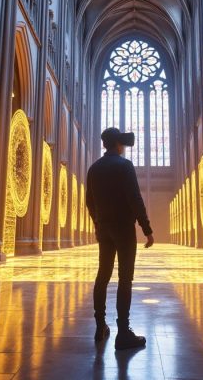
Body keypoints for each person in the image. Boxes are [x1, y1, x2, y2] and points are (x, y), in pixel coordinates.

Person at [86, 127, 154, 350]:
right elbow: (134, 198)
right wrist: (147, 228)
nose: (124, 147)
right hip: (124, 229)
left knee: (103, 275)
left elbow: (89, 201)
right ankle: (123, 332)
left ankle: (100, 327)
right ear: (117, 144)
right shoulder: (124, 166)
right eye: (122, 143)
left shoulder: (94, 168)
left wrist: (98, 222)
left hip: (104, 228)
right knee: (125, 278)